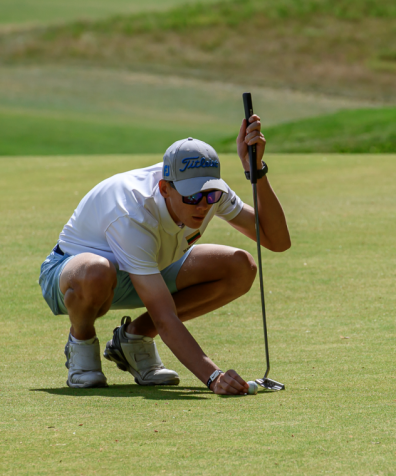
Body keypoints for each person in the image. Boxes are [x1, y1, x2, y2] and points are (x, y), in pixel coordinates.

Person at [38, 114, 290, 395]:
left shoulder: (211, 192)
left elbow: (276, 240)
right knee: (96, 270)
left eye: (209, 196)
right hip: (73, 277)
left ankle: (133, 340)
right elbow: (164, 316)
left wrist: (256, 169)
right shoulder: (132, 211)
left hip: (152, 268)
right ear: (164, 188)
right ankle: (81, 344)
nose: (203, 205)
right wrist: (213, 377)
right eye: (192, 197)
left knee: (240, 266)